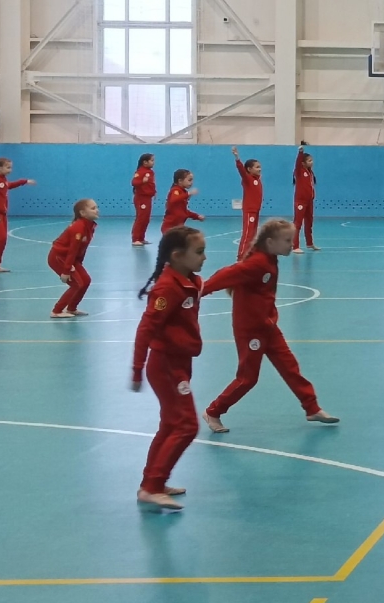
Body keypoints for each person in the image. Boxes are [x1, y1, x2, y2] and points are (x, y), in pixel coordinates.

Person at [200, 218, 338, 433]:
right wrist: (199, 291)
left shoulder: (270, 259)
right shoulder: (258, 263)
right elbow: (227, 274)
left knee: (290, 367)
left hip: (268, 326)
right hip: (251, 330)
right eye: (287, 240)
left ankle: (312, 408)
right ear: (270, 242)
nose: (291, 244)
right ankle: (213, 411)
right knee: (247, 379)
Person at [130, 225, 208, 513]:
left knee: (170, 425)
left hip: (181, 363)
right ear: (177, 256)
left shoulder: (189, 280)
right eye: (199, 252)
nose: (204, 257)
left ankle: (152, 482)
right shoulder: (167, 288)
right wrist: (137, 369)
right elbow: (145, 329)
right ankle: (151, 488)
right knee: (187, 425)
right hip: (166, 366)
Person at [48, 198, 99, 318]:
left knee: (86, 281)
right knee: (77, 284)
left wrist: (78, 264)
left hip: (71, 259)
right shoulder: (78, 228)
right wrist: (66, 271)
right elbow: (72, 250)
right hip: (59, 258)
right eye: (93, 208)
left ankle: (72, 308)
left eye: (96, 207)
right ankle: (56, 311)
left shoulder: (90, 226)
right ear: (83, 213)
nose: (97, 210)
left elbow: (81, 249)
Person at [232, 147, 263, 261]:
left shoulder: (257, 179)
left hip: (256, 210)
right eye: (257, 167)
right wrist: (237, 158)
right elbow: (241, 170)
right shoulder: (248, 179)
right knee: (247, 234)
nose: (260, 169)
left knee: (253, 234)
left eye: (260, 167)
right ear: (249, 169)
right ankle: (241, 256)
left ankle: (249, 254)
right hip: (250, 211)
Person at [292, 143, 318, 252]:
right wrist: (300, 152)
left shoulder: (310, 173)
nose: (312, 162)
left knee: (309, 222)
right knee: (298, 223)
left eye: (312, 160)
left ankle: (309, 243)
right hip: (300, 201)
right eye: (309, 161)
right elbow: (297, 163)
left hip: (309, 201)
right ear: (303, 163)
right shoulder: (299, 171)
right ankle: (295, 246)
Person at [130, 153, 156, 246]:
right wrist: (142, 181)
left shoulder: (150, 172)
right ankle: (135, 239)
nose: (153, 162)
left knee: (146, 219)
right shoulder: (140, 172)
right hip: (141, 198)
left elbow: (151, 184)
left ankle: (141, 238)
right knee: (141, 218)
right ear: (145, 162)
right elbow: (134, 182)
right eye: (151, 160)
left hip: (148, 198)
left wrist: (154, 192)